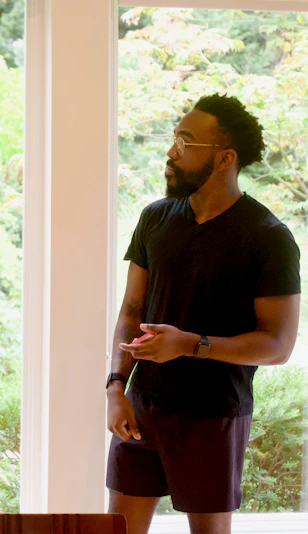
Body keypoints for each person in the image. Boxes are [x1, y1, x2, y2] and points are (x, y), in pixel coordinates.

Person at [105, 94, 301, 534]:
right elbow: (132, 309)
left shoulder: (269, 238)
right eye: (174, 138)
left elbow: (278, 345)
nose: (170, 151)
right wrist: (116, 387)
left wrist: (190, 345)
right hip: (142, 407)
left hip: (214, 415)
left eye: (185, 142)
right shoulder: (154, 218)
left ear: (225, 157)